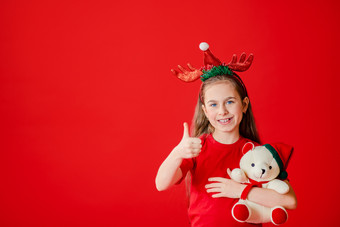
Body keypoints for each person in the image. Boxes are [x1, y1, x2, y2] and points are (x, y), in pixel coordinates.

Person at [155, 43, 297, 226]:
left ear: (244, 105)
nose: (222, 111)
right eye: (213, 105)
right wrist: (177, 153)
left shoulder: (257, 151)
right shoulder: (197, 147)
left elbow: (290, 201)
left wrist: (239, 190)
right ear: (205, 111)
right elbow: (161, 184)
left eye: (230, 102)